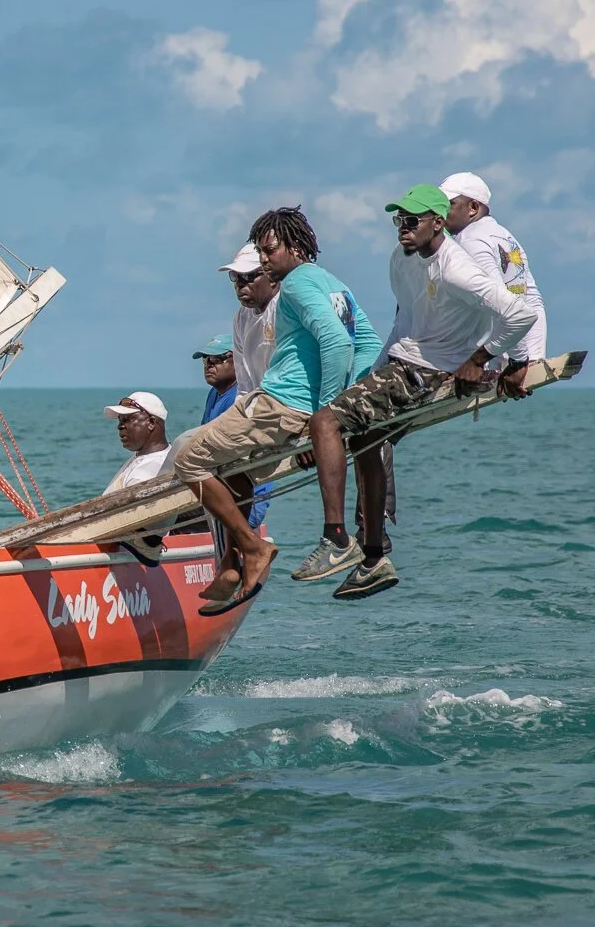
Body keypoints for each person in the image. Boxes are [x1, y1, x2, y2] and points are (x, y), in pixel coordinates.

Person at [307, 184, 536, 600]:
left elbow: (520, 313)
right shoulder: (402, 258)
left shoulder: (457, 267)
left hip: (425, 373)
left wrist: (479, 359)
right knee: (364, 438)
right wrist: (376, 370)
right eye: (398, 220)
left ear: (437, 222)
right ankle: (374, 557)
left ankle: (336, 539)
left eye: (411, 220)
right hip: (401, 364)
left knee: (324, 420)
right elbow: (406, 321)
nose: (402, 228)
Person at [172, 206, 380, 615]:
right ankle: (232, 563)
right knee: (234, 472)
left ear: (295, 247)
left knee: (188, 461)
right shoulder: (334, 284)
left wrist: (327, 417)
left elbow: (338, 345)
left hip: (282, 404)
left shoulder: (297, 286)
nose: (264, 262)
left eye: (268, 252)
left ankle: (253, 548)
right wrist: (331, 409)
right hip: (279, 403)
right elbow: (367, 343)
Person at [440, 171, 547, 397]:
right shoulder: (504, 235)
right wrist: (534, 354)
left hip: (493, 354)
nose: (439, 211)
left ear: (472, 208)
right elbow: (531, 298)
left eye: (448, 204)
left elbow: (506, 306)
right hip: (511, 347)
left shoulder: (471, 241)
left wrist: (517, 364)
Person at [220, 244, 277, 529]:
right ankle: (237, 546)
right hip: (255, 407)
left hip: (287, 407)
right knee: (195, 452)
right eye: (236, 279)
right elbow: (244, 385)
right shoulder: (241, 318)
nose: (241, 285)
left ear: (270, 275)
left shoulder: (284, 309)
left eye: (249, 277)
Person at [102, 392, 171, 494]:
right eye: (120, 421)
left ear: (151, 423)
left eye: (127, 419)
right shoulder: (162, 456)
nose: (120, 426)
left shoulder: (145, 475)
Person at [193, 334, 237, 423]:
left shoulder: (240, 397)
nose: (209, 365)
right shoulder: (214, 392)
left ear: (237, 360)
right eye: (206, 359)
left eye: (217, 359)